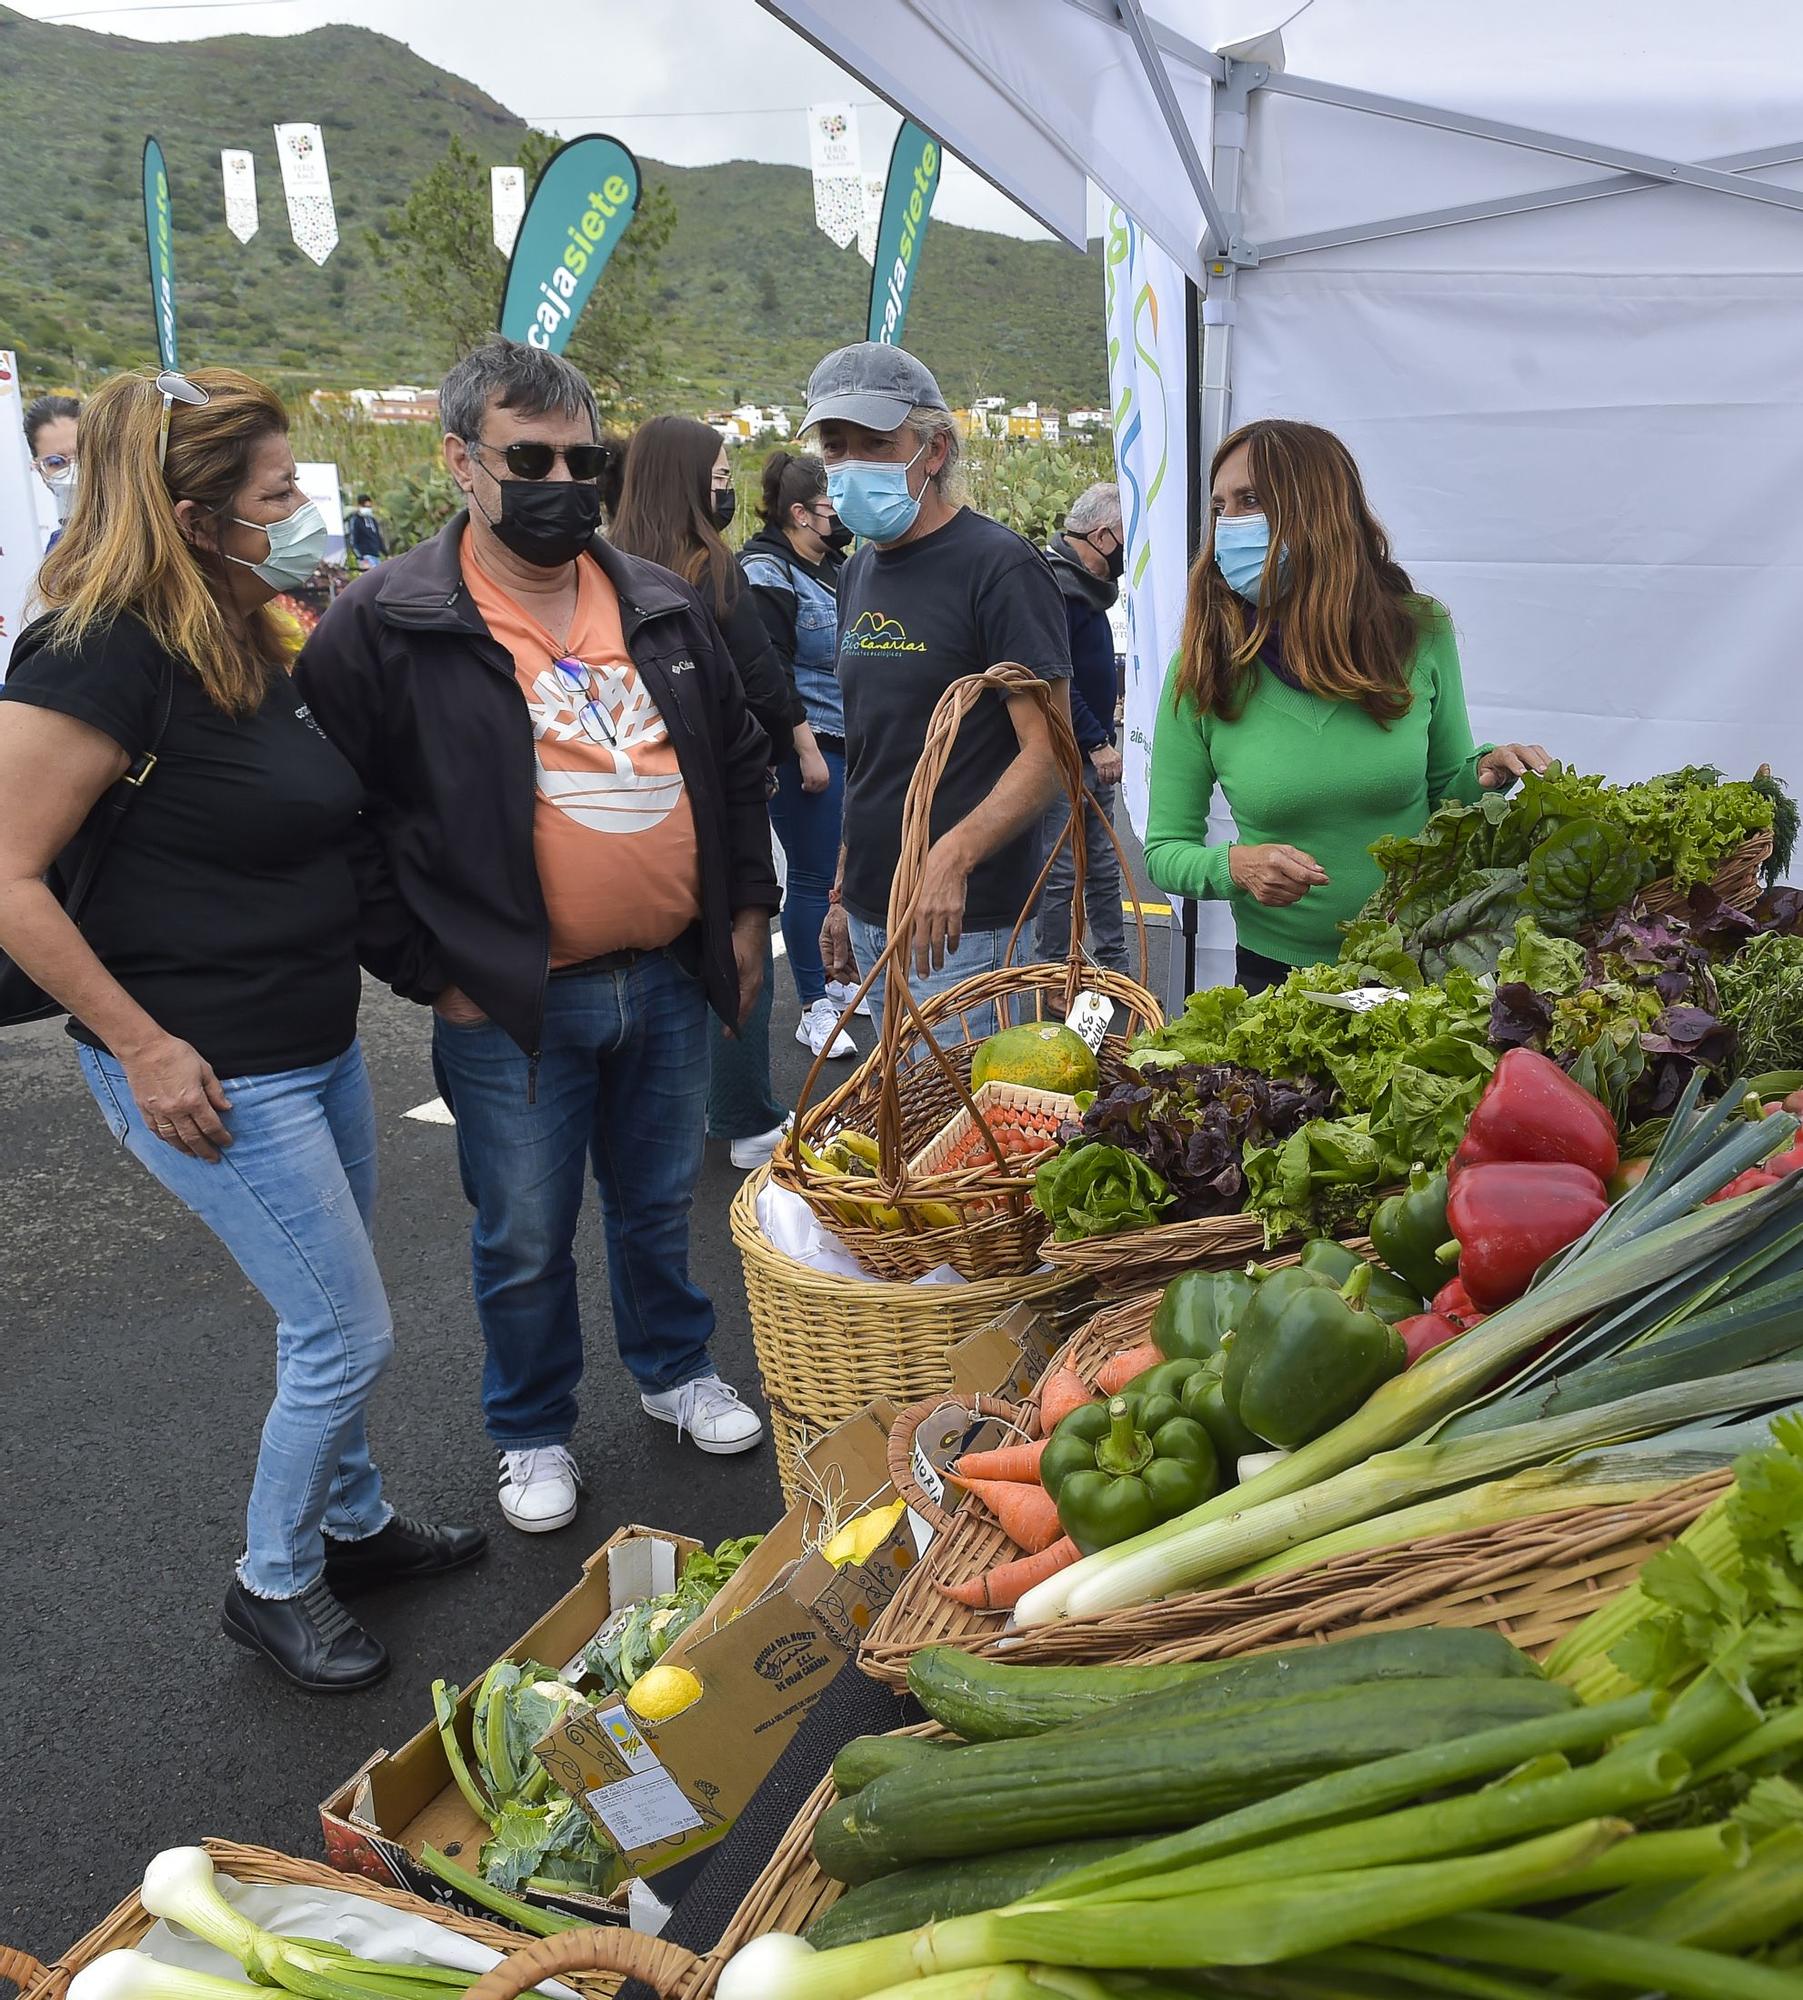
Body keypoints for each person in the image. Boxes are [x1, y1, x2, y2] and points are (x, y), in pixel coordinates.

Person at [0, 368, 483, 1692]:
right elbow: (9, 880)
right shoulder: (95, 655)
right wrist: (142, 1047)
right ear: (190, 510)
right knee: (347, 1330)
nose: (298, 513)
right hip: (208, 1071)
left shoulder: (233, 627)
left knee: (326, 1309)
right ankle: (271, 1584)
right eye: (275, 495)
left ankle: (354, 1526)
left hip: (309, 1044)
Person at [297, 338, 775, 1537]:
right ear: (462, 461)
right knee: (521, 1232)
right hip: (511, 1004)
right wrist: (429, 971)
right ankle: (532, 1428)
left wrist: (747, 910)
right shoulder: (386, 621)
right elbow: (334, 815)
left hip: (664, 978)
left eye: (584, 456)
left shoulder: (659, 602)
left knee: (659, 1204)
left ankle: (674, 1369)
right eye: (531, 456)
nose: (564, 477)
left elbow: (738, 762)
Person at [1144, 418, 1552, 991]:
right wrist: (1234, 866)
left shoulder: (1418, 632)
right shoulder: (1205, 665)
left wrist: (1484, 772)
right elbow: (1165, 850)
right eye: (1220, 508)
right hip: (1275, 978)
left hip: (1414, 958)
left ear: (1319, 510)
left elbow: (1446, 793)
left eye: (1252, 501)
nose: (1229, 525)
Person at [804, 343, 1073, 1038]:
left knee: (969, 1135)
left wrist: (951, 857)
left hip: (963, 925)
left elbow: (1049, 752)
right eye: (836, 447)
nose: (852, 464)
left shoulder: (998, 566)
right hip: (872, 909)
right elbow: (872, 746)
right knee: (901, 1123)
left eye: (876, 443)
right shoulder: (856, 572)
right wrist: (842, 889)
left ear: (933, 450)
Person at [610, 415, 808, 1166]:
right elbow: (759, 681)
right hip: (722, 796)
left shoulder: (600, 567)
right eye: (721, 481)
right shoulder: (712, 569)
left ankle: (675, 1108)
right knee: (739, 943)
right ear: (687, 486)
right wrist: (785, 744)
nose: (725, 495)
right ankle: (744, 1115)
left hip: (635, 800)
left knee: (659, 958)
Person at [739, 448, 863, 1060]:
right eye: (828, 506)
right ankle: (814, 1003)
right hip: (806, 746)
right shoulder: (767, 572)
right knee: (813, 874)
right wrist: (805, 749)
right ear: (797, 512)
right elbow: (771, 671)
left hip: (850, 739)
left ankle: (838, 979)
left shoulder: (835, 567)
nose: (839, 516)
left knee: (844, 871)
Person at [1036, 480, 1129, 973]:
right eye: (1124, 536)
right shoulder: (1051, 584)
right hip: (1061, 754)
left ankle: (1114, 966)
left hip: (1092, 750)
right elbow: (1052, 677)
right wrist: (1095, 741)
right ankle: (1051, 971)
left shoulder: (1090, 590)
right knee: (1061, 871)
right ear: (1102, 536)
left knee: (1104, 863)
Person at [26, 392, 81, 548]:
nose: (73, 470)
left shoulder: (143, 527)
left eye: (82, 455)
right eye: (56, 462)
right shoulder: (57, 551)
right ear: (40, 470)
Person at [345, 493, 387, 567]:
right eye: (366, 506)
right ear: (359, 506)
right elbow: (353, 541)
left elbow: (378, 538)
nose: (368, 509)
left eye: (369, 507)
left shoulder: (373, 520)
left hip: (376, 556)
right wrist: (360, 558)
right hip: (365, 557)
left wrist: (386, 554)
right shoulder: (356, 520)